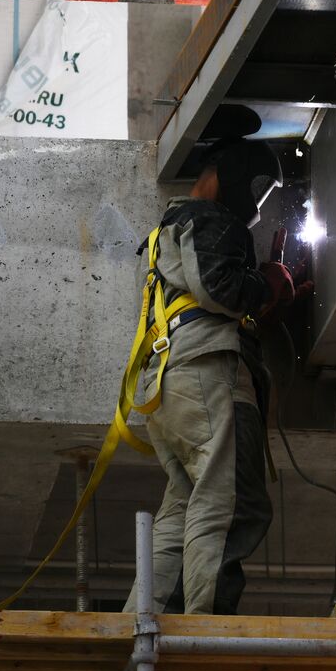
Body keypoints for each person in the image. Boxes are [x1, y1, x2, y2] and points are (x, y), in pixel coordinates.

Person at [122, 118, 302, 616]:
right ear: (225, 174)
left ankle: (141, 628)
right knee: (232, 506)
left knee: (183, 510)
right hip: (207, 378)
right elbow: (220, 290)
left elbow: (202, 293)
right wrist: (269, 285)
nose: (257, 206)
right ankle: (205, 633)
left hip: (170, 389)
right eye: (256, 192)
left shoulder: (165, 232)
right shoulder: (209, 217)